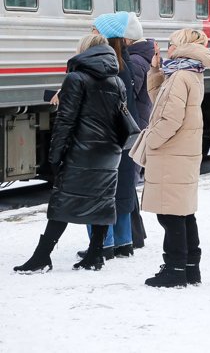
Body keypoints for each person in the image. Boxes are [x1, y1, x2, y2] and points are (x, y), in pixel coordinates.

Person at [14, 34, 125, 273]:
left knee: (62, 202)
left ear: (84, 50)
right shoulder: (116, 81)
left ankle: (42, 256)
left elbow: (65, 121)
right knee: (101, 202)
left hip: (82, 151)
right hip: (109, 151)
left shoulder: (76, 78)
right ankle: (95, 255)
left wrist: (54, 156)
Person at [142, 28, 210, 287]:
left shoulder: (179, 76)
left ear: (182, 46)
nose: (167, 49)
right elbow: (161, 103)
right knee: (183, 212)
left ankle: (174, 270)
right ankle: (189, 267)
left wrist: (150, 141)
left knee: (169, 214)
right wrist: (155, 72)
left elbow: (170, 118)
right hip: (182, 151)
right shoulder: (190, 73)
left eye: (171, 44)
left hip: (171, 153)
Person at [86, 11, 139, 259]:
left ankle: (103, 244)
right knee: (122, 188)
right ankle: (123, 242)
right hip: (124, 136)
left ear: (105, 36)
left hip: (105, 138)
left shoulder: (103, 67)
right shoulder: (124, 65)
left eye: (95, 30)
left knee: (101, 189)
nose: (91, 33)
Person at [124, 12, 152, 249]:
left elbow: (128, 95)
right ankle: (135, 235)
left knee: (128, 182)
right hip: (139, 122)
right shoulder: (141, 57)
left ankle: (134, 236)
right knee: (128, 183)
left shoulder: (135, 61)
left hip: (134, 124)